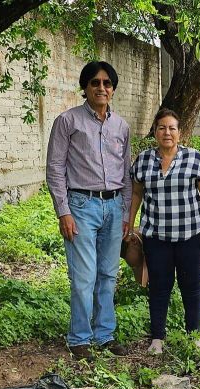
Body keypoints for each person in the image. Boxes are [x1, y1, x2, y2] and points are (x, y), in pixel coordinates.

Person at [46, 61, 132, 362]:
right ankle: (80, 339)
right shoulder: (67, 122)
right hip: (81, 207)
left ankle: (104, 335)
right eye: (95, 82)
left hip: (113, 206)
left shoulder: (121, 126)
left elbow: (126, 172)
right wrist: (63, 212)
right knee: (83, 276)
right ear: (85, 87)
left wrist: (125, 214)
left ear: (113, 89)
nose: (101, 87)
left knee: (108, 274)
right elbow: (55, 168)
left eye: (107, 83)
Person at [127, 109, 200, 355]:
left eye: (172, 128)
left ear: (180, 132)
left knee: (191, 285)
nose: (167, 133)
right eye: (161, 128)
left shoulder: (193, 158)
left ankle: (194, 336)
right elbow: (136, 193)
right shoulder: (144, 160)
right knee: (159, 286)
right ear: (155, 132)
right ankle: (157, 338)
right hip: (156, 236)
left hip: (191, 235)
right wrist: (129, 221)